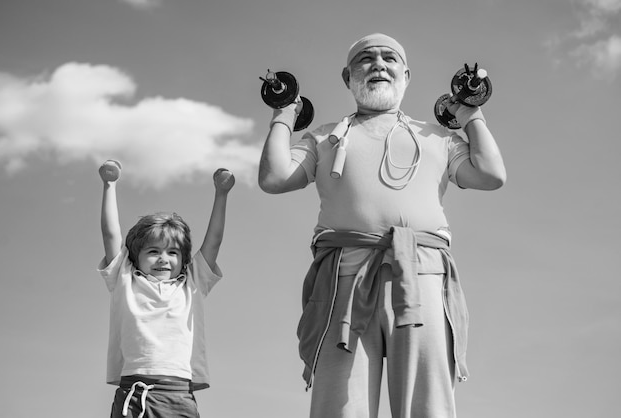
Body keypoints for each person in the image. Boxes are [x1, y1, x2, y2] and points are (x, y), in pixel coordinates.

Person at [258, 33, 506, 418]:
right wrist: (284, 114)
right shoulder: (324, 136)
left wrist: (470, 115)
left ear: (405, 75)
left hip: (420, 275)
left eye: (389, 58)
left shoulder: (437, 137)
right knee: (340, 407)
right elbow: (274, 178)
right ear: (347, 77)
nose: (378, 64)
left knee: (428, 407)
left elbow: (491, 174)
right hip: (345, 279)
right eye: (366, 59)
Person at [97, 159, 235, 418]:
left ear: (183, 260)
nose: (163, 258)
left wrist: (221, 194)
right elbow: (110, 235)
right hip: (133, 393)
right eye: (153, 251)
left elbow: (214, 241)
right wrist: (109, 185)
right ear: (135, 257)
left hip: (177, 393)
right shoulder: (124, 278)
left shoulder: (192, 282)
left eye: (172, 252)